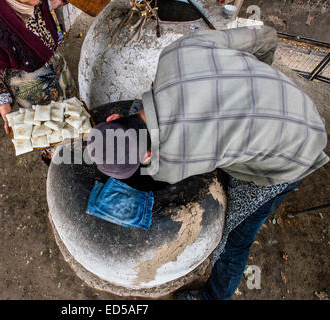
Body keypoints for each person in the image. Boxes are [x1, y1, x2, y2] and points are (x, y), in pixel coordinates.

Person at [86, 26, 329, 300]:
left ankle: (214, 297)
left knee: (234, 239)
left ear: (147, 158)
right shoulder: (176, 52)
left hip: (295, 153)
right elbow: (265, 37)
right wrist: (249, 88)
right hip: (298, 104)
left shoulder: (176, 160)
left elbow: (151, 180)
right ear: (113, 118)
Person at [0, 0, 75, 138]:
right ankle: (55, 156)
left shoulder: (32, 2)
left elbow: (41, 8)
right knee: (49, 131)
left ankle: (78, 143)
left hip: (56, 67)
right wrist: (6, 112)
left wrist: (54, 3)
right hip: (32, 88)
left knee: (73, 114)